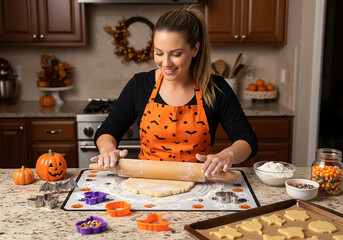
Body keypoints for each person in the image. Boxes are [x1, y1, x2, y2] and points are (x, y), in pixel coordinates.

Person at [92, 5, 258, 177]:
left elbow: (247, 139)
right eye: (159, 53)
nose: (166, 63)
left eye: (176, 54)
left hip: (198, 187)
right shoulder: (139, 85)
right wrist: (107, 149)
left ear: (195, 49)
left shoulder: (216, 88)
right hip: (147, 184)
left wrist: (226, 155)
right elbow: (107, 131)